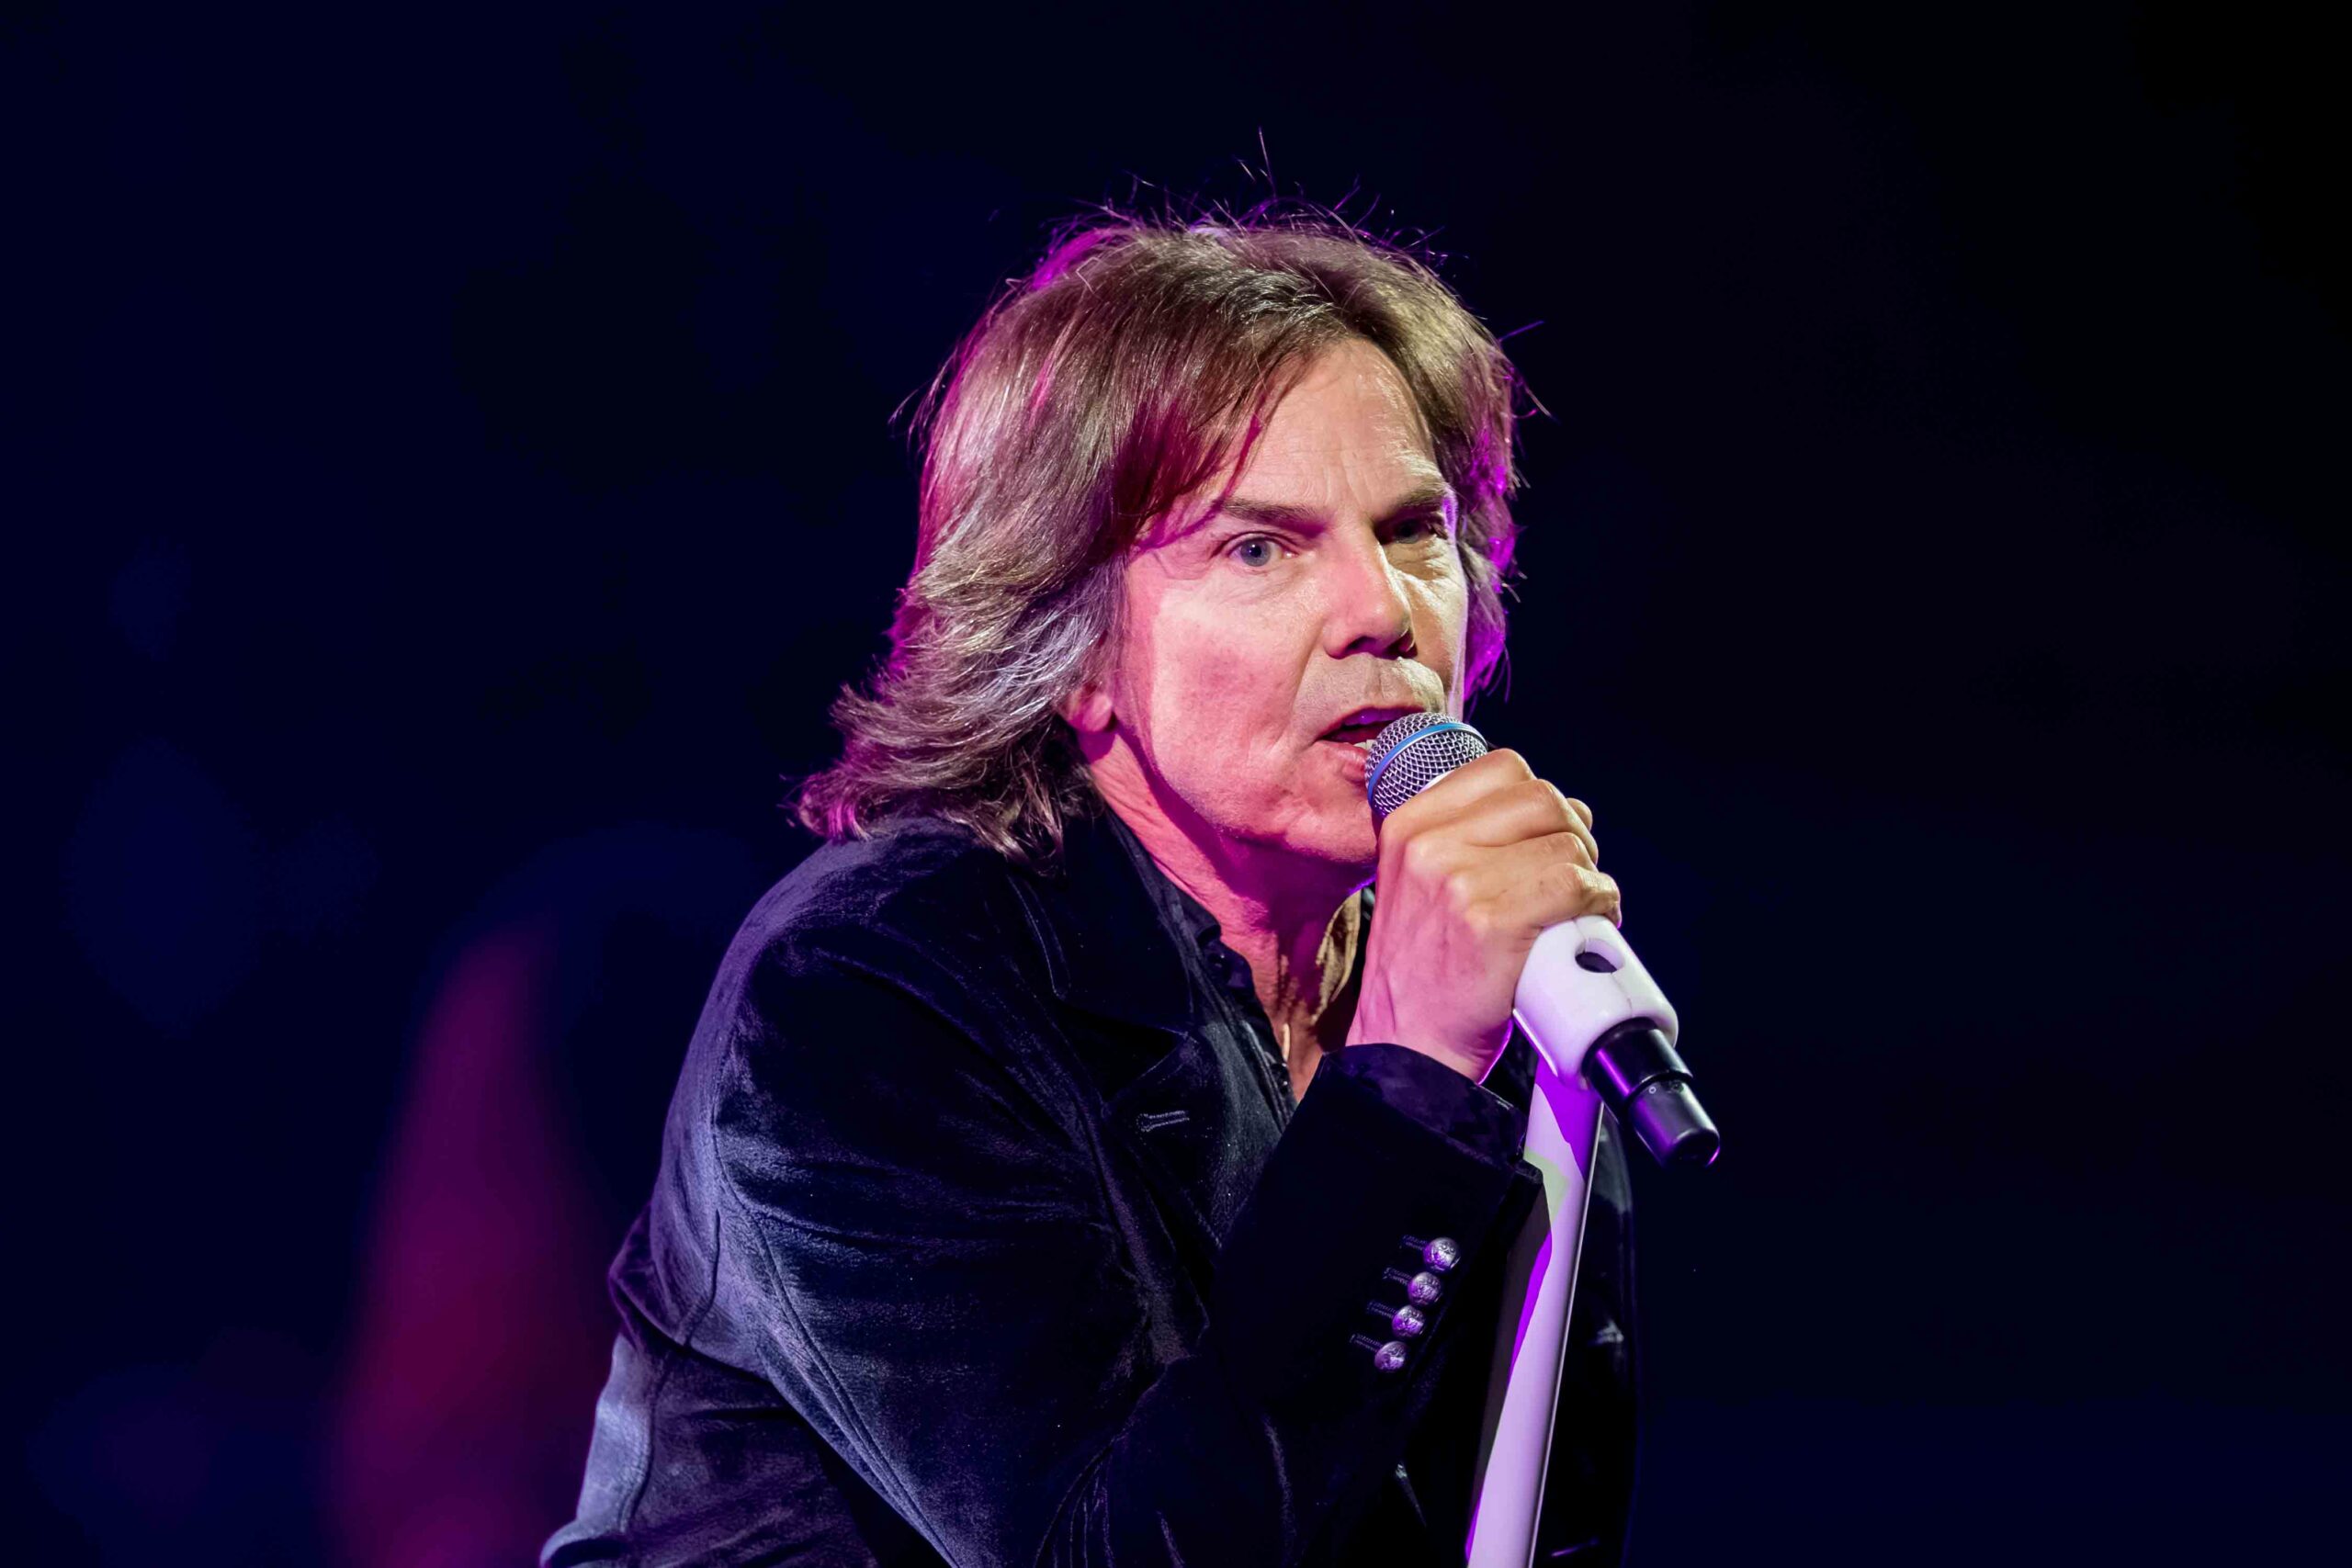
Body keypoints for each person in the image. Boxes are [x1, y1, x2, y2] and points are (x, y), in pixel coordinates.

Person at [544, 213, 1639, 1567]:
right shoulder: (874, 991)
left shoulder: (1482, 971)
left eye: (1415, 530)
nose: (1383, 609)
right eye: (1260, 547)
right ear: (1072, 646)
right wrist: (1406, 1082)